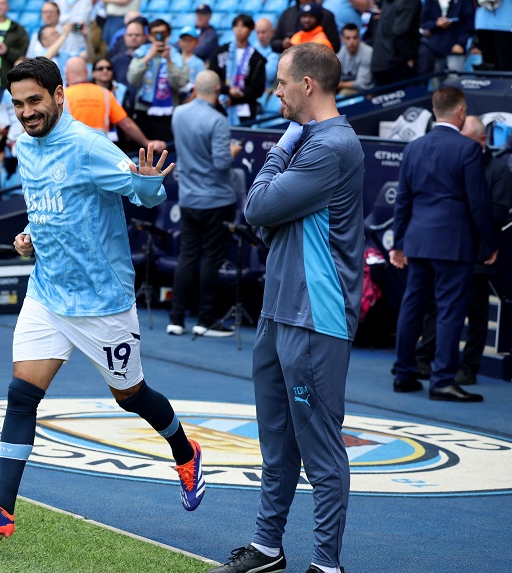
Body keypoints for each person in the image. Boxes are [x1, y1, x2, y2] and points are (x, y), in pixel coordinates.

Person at [0, 56, 205, 538]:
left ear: (59, 95)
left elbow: (145, 196)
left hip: (101, 302)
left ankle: (185, 453)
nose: (26, 112)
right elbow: (49, 206)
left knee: (131, 397)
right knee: (21, 396)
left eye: (35, 101)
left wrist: (149, 184)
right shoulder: (25, 146)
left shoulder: (90, 146)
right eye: (18, 104)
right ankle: (3, 509)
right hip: (47, 292)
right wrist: (29, 232)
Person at [211, 43, 364, 573]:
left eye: (280, 82)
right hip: (280, 311)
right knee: (276, 444)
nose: (274, 91)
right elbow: (271, 214)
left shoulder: (331, 145)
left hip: (317, 317)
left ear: (307, 85)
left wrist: (280, 149)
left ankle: (326, 565)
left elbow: (258, 208)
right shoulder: (314, 141)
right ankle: (268, 549)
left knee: (320, 451)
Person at [391, 88, 496, 402]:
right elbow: (478, 203)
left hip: (417, 241)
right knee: (449, 312)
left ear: (435, 110)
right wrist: (488, 243)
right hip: (453, 243)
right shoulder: (468, 150)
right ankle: (442, 381)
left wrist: (398, 242)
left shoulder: (413, 147)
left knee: (412, 307)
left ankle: (404, 374)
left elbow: (403, 200)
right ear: (461, 111)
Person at [413, 115, 512, 386]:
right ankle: (423, 359)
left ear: (482, 141)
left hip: (477, 254)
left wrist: (463, 211)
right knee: (435, 307)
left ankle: (468, 367)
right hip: (447, 249)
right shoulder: (455, 161)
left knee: (476, 313)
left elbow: (499, 213)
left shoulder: (499, 172)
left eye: (465, 139)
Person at [166, 70, 241, 338]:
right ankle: (205, 319)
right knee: (210, 258)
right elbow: (222, 163)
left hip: (189, 198)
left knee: (187, 256)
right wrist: (232, 151)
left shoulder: (178, 113)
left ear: (195, 89)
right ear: (218, 89)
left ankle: (176, 319)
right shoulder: (218, 120)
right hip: (216, 199)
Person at [64, 56, 164, 151]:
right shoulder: (104, 93)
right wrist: (146, 142)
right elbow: (126, 124)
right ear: (87, 72)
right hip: (99, 149)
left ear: (66, 74)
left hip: (72, 150)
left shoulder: (61, 96)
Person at [126, 18, 189, 142]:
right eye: (155, 34)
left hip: (169, 113)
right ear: (149, 36)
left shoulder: (176, 56)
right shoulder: (142, 53)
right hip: (144, 110)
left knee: (167, 152)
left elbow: (181, 83)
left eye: (163, 34)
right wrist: (149, 57)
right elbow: (132, 79)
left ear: (169, 35)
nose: (159, 37)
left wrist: (169, 61)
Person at [209, 14, 267, 126]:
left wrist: (237, 98)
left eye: (243, 26)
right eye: (236, 26)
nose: (239, 29)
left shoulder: (257, 58)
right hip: (221, 105)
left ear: (250, 30)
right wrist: (227, 90)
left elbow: (258, 88)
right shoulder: (220, 51)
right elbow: (213, 76)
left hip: (245, 110)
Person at [370, 0, 421, 86]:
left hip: (379, 60)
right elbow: (399, 34)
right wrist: (410, 57)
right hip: (397, 62)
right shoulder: (409, 2)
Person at [272, 0, 341, 54]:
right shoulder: (288, 14)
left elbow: (335, 46)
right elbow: (274, 42)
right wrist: (283, 44)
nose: (307, 20)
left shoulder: (326, 15)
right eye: (304, 16)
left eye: (311, 17)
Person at [336, 23, 373, 95]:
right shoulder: (341, 51)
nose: (351, 41)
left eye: (354, 37)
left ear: (359, 37)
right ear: (342, 39)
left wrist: (338, 85)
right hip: (344, 85)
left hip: (365, 91)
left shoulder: (367, 52)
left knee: (343, 94)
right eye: (348, 38)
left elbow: (362, 84)